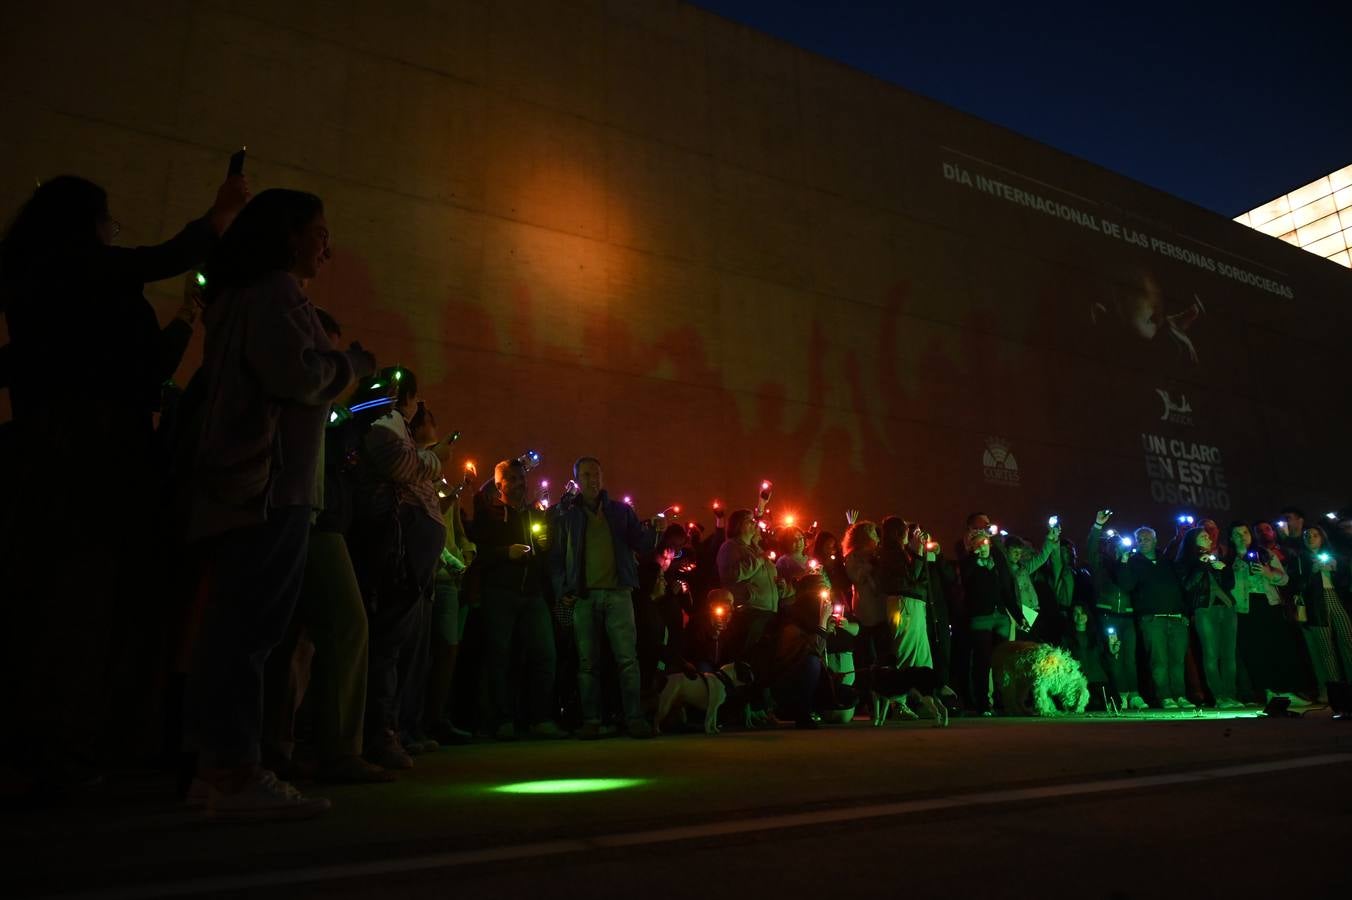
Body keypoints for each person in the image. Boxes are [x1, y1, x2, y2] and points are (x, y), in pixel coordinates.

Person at [1, 171, 248, 785]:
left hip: (43, 449)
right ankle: (65, 743)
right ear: (85, 225)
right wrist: (218, 217)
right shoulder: (85, 272)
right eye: (106, 222)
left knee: (47, 597)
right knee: (86, 599)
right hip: (99, 456)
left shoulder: (29, 280)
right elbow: (160, 262)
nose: (112, 235)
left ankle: (42, 739)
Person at [188, 188, 373, 820]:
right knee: (251, 631)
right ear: (289, 235)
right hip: (274, 488)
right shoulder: (276, 294)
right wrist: (348, 364)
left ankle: (218, 765)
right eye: (320, 233)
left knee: (232, 629)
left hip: (243, 483)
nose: (327, 248)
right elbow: (299, 376)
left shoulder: (237, 297)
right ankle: (235, 770)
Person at [259, 310, 390, 784]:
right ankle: (336, 750)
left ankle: (279, 748)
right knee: (344, 626)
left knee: (293, 640)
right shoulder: (310, 401)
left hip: (307, 515)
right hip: (302, 516)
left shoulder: (333, 418)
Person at [350, 369, 453, 768]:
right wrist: (436, 458)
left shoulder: (393, 426)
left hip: (411, 550)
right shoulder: (385, 423)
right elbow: (400, 465)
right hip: (398, 550)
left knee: (398, 645)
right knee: (387, 642)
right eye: (414, 398)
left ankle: (393, 730)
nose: (416, 407)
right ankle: (379, 733)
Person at [550, 457, 656, 740]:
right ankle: (592, 720)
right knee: (588, 663)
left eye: (596, 473)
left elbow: (641, 543)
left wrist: (654, 531)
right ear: (577, 480)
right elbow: (557, 557)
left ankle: (634, 718)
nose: (592, 479)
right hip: (584, 596)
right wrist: (564, 589)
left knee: (627, 660)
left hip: (618, 593)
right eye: (586, 475)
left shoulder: (621, 512)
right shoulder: (567, 516)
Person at [470, 459, 564, 740]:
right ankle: (502, 720)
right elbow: (477, 552)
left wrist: (545, 546)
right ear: (499, 484)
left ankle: (540, 717)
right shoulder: (489, 514)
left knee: (544, 654)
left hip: (532, 594)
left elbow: (544, 553)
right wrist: (505, 553)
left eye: (521, 477)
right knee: (500, 657)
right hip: (500, 593)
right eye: (511, 478)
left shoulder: (534, 515)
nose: (518, 483)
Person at [1116, 526, 1194, 710]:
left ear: (1155, 540)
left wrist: (1185, 613)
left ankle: (1180, 695)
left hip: (1176, 618)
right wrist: (1124, 561)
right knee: (1159, 661)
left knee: (1178, 661)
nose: (1143, 542)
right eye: (1139, 539)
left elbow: (1181, 588)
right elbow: (1126, 585)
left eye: (1147, 538)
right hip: (1152, 619)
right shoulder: (1133, 562)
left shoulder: (1167, 561)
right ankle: (1165, 697)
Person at [1228, 522, 1303, 705]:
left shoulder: (1265, 554)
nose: (1242, 536)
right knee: (1256, 651)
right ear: (1230, 538)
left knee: (1277, 648)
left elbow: (1284, 579)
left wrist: (1268, 572)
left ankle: (1285, 690)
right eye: (1237, 534)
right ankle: (1267, 691)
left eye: (1245, 532)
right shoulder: (1229, 559)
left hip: (1269, 603)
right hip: (1244, 608)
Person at [1085, 511, 1147, 709]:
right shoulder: (1100, 563)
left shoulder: (1130, 563)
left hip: (1128, 616)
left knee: (1130, 657)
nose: (1118, 547)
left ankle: (1134, 694)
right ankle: (1120, 694)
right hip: (1108, 616)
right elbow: (1091, 548)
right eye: (1114, 545)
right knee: (1115, 655)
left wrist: (1126, 561)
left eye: (1121, 544)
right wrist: (1097, 526)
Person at [1176, 526, 1240, 709]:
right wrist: (1200, 566)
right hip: (1204, 610)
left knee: (1229, 654)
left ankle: (1231, 695)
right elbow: (1188, 586)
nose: (1209, 539)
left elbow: (1230, 584)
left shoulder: (1216, 558)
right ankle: (1219, 697)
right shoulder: (1185, 562)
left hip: (1228, 608)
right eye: (1204, 536)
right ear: (1193, 540)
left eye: (1209, 537)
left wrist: (1225, 569)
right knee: (1211, 654)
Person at [959, 529, 1018, 714]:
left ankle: (1002, 702)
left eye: (985, 542)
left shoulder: (998, 562)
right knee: (982, 661)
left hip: (1000, 617)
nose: (982, 546)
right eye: (977, 543)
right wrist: (973, 557)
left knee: (1001, 660)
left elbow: (1006, 591)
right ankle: (983, 703)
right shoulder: (969, 563)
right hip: (980, 618)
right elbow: (964, 580)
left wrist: (1018, 616)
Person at [717, 508, 789, 654]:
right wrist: (759, 559)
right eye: (749, 521)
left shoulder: (757, 549)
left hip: (767, 611)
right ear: (738, 525)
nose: (754, 523)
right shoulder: (730, 547)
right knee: (746, 653)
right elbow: (733, 574)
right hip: (750, 612)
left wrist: (778, 585)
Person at [1293, 527, 1352, 701]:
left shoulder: (1335, 556)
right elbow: (1297, 585)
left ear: (1322, 538)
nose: (1311, 538)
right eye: (1307, 535)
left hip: (1337, 598)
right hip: (1316, 604)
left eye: (1315, 535)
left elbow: (1346, 581)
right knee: (1326, 649)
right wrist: (1312, 572)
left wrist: (1335, 569)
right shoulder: (1300, 559)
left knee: (1348, 641)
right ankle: (1335, 692)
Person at [875, 517, 931, 668]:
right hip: (905, 605)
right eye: (906, 529)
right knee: (907, 652)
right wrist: (918, 552)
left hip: (908, 604)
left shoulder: (898, 552)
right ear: (898, 532)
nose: (909, 532)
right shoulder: (892, 553)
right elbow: (912, 576)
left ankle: (917, 680)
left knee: (916, 652)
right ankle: (903, 680)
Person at [843, 520, 887, 667]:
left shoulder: (879, 554)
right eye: (873, 533)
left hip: (882, 608)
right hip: (866, 609)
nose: (877, 537)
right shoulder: (852, 557)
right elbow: (857, 577)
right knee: (868, 654)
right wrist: (869, 567)